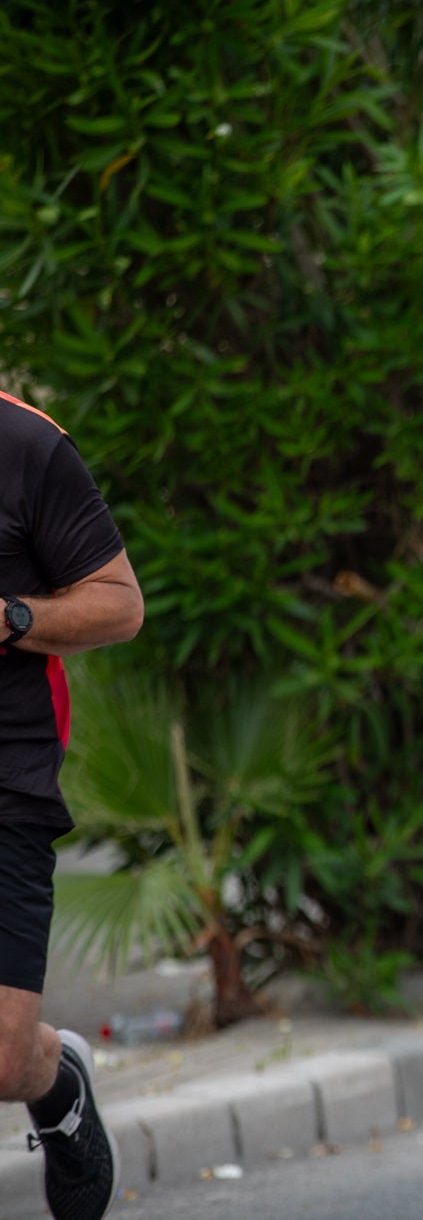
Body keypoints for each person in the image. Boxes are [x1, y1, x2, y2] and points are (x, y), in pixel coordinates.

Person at [0, 391, 145, 1220]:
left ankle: (58, 1083)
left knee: (3, 1057)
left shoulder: (26, 443)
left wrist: (11, 616)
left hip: (8, 772)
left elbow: (119, 603)